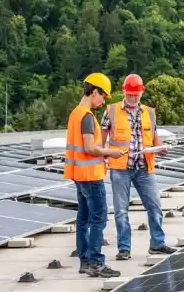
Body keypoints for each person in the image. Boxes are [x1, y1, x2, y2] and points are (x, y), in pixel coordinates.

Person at [101, 73, 178, 261]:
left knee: (155, 206)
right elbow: (101, 142)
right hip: (121, 168)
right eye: (130, 94)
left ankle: (157, 243)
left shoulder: (150, 113)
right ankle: (124, 248)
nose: (133, 98)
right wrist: (102, 157)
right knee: (121, 210)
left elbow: (154, 138)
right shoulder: (111, 111)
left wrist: (161, 149)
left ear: (141, 93)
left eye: (136, 94)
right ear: (124, 92)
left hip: (144, 167)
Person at [65, 73, 124, 278]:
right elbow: (90, 148)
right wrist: (111, 152)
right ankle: (96, 262)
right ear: (95, 92)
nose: (103, 101)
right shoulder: (87, 116)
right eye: (103, 96)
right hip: (91, 176)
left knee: (83, 219)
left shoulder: (75, 113)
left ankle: (84, 262)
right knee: (98, 219)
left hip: (79, 175)